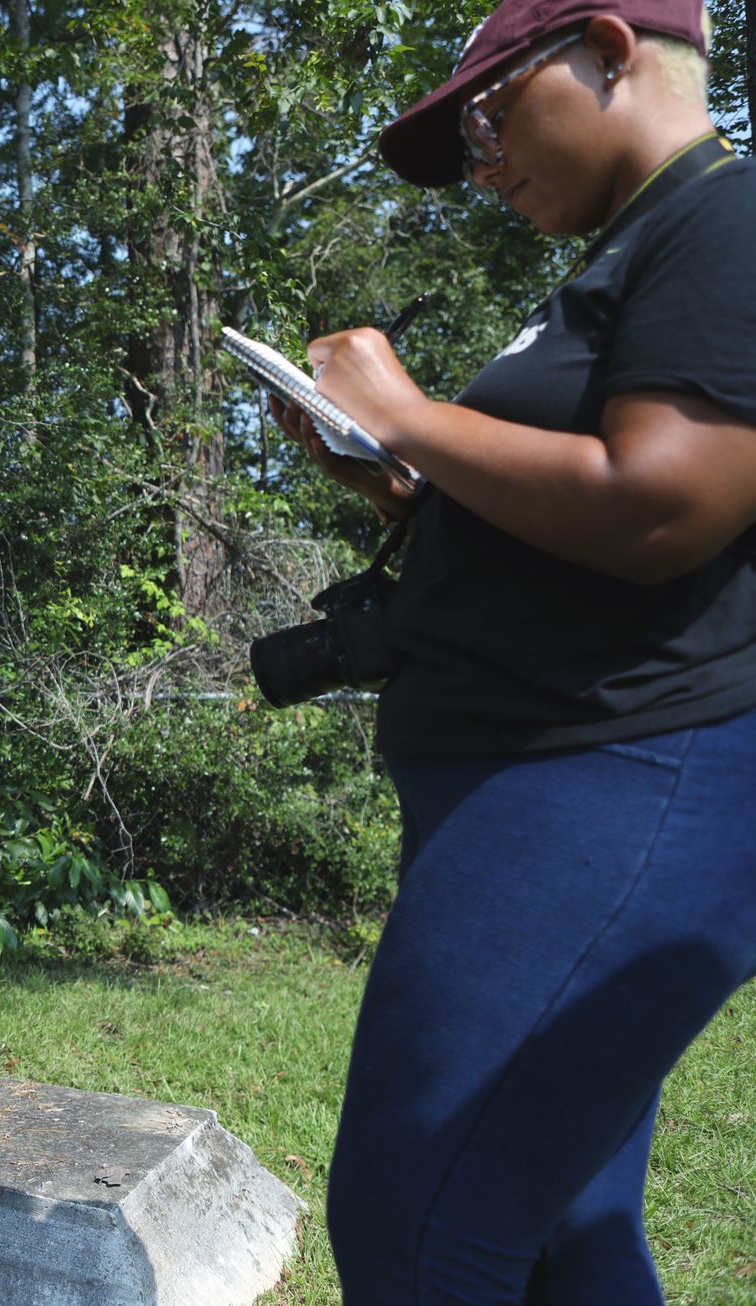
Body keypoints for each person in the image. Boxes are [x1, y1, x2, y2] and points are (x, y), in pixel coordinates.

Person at [273, 0, 756, 1298]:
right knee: (564, 1232)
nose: (480, 160)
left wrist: (409, 409)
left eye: (487, 114)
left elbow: (668, 500)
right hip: (534, 778)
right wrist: (405, 478)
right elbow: (576, 498)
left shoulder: (726, 220)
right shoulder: (632, 251)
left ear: (605, 48)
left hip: (617, 773)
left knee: (417, 1221)